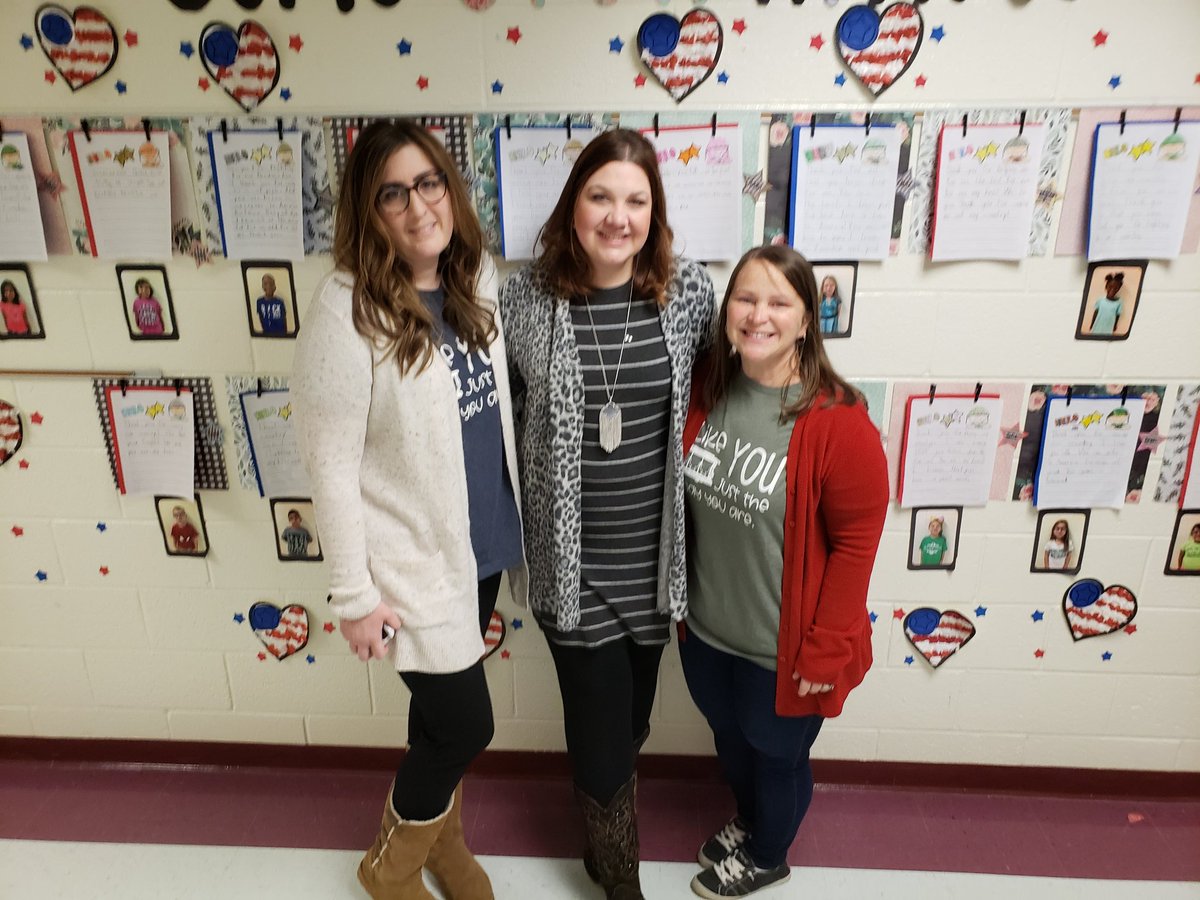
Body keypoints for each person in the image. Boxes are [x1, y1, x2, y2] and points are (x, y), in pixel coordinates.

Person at [291, 120, 525, 900]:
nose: (418, 204)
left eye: (429, 183)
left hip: (478, 544)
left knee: (435, 726)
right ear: (370, 208)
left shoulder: (475, 276)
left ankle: (442, 848)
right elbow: (328, 462)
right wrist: (354, 597)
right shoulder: (345, 307)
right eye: (394, 192)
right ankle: (389, 869)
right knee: (466, 725)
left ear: (450, 190)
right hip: (408, 563)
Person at [499, 128, 715, 900]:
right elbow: (508, 414)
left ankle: (600, 836)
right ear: (573, 204)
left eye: (636, 200)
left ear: (654, 214)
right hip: (571, 563)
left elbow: (711, 405)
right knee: (598, 730)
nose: (617, 217)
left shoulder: (688, 292)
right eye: (600, 196)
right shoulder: (523, 297)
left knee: (626, 726)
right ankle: (621, 882)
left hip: (655, 566)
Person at [678, 244, 888, 898]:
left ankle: (770, 852)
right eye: (745, 297)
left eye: (778, 302)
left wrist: (824, 652)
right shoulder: (707, 385)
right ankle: (749, 821)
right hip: (709, 634)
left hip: (787, 649)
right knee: (731, 745)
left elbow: (857, 546)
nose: (757, 314)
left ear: (806, 320)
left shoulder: (837, 419)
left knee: (776, 758)